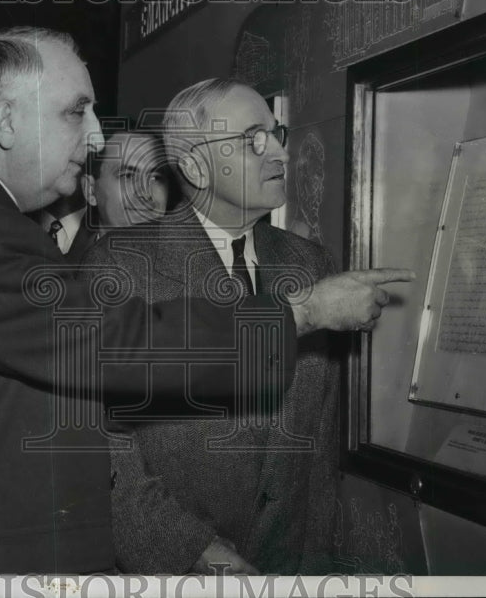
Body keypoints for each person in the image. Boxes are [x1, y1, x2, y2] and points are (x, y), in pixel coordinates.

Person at [0, 26, 410, 575]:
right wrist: (301, 312)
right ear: (7, 120)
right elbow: (117, 343)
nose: (96, 137)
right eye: (74, 111)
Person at [81, 78, 393, 575]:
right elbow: (105, 449)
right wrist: (191, 553)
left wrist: (308, 572)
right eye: (252, 139)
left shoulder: (310, 264)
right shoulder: (119, 267)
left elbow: (317, 452)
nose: (279, 154)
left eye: (277, 134)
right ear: (196, 166)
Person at [80, 124, 172, 237]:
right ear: (90, 190)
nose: (145, 193)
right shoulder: (71, 253)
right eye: (128, 176)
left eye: (155, 178)